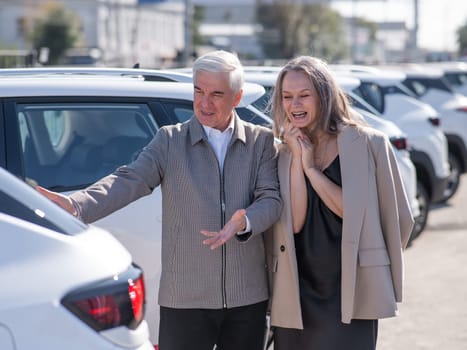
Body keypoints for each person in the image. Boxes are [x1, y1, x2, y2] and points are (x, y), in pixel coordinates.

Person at [37, 50, 282, 350]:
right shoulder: (169, 141)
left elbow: (271, 199)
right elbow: (129, 179)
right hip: (184, 298)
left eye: (216, 94)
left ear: (237, 97)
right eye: (198, 91)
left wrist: (245, 220)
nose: (205, 103)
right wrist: (77, 205)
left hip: (247, 296)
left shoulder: (261, 142)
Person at [265, 56, 414, 350]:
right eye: (287, 97)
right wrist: (297, 159)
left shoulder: (367, 143)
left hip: (351, 287)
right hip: (298, 289)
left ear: (324, 95)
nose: (294, 105)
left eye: (304, 96)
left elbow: (393, 219)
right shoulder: (282, 152)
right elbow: (294, 222)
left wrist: (311, 170)